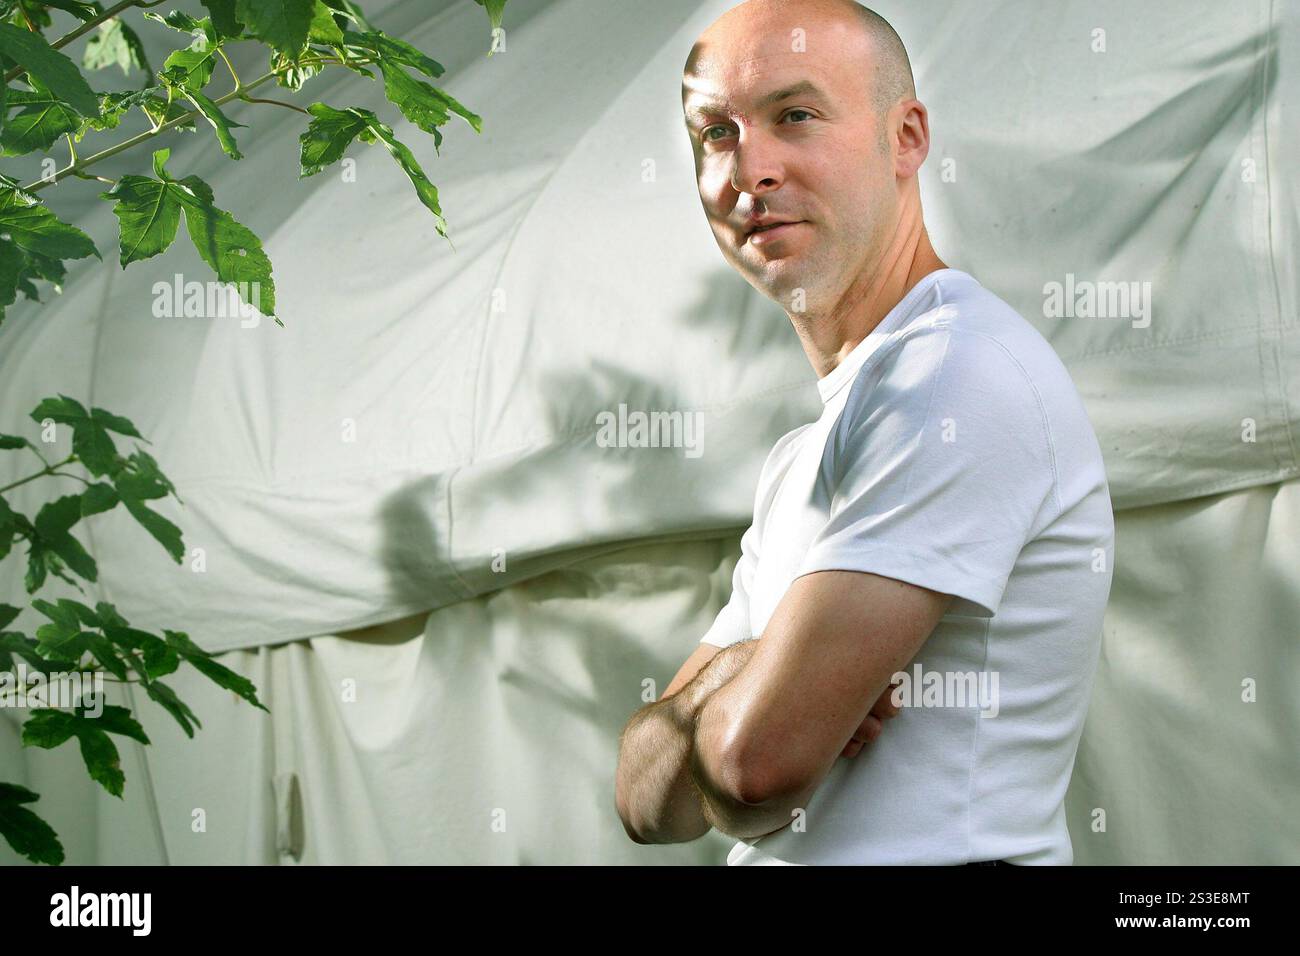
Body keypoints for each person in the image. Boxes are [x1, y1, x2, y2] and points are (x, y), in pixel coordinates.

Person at [614, 0, 1115, 865]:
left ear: (906, 137)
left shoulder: (955, 373)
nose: (749, 170)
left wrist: (729, 701)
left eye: (795, 116)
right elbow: (640, 800)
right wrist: (753, 673)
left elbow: (748, 770)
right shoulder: (805, 454)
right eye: (715, 133)